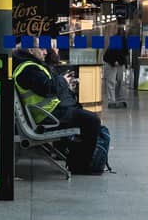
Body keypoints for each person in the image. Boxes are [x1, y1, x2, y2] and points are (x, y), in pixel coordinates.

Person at [10, 45, 104, 175]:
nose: (45, 52)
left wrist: (62, 81)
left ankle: (76, 160)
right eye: (41, 49)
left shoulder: (29, 65)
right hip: (47, 116)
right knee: (92, 121)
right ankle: (80, 166)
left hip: (48, 113)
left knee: (85, 117)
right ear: (31, 50)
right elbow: (47, 87)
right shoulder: (29, 69)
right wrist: (63, 81)